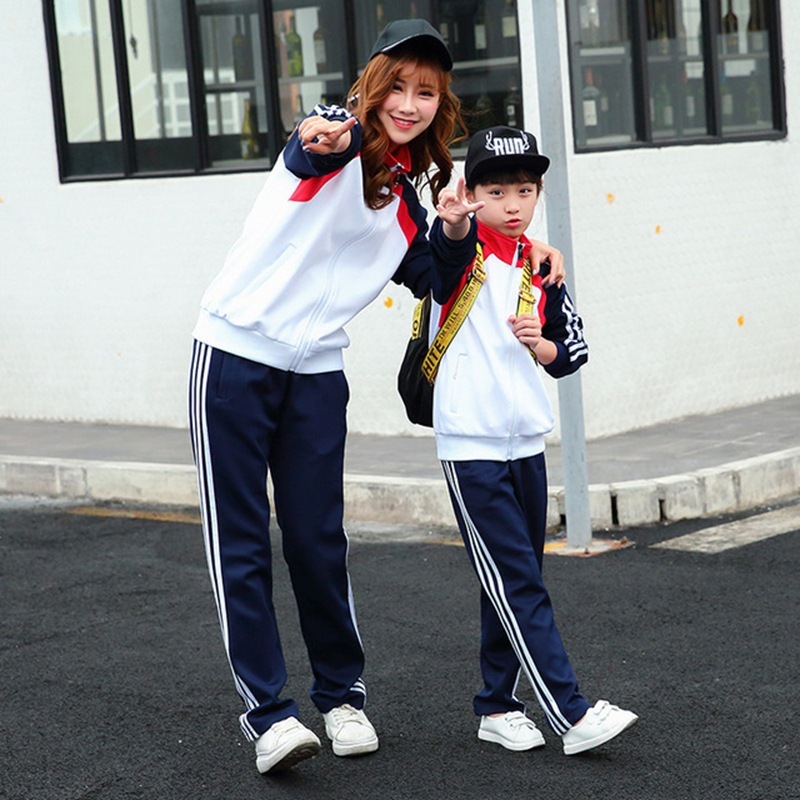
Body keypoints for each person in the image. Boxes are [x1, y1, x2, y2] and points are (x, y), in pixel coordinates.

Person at [188, 22, 564, 775]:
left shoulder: (417, 192)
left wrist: (495, 234)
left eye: (426, 92)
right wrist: (326, 134)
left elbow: (433, 274)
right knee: (240, 544)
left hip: (318, 374)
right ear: (374, 85)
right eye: (398, 86)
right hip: (233, 357)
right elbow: (310, 146)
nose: (410, 103)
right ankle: (269, 715)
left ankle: (341, 696)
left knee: (319, 540)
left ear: (439, 104)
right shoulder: (332, 140)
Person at [429, 125, 638, 756]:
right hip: (471, 442)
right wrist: (457, 221)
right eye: (497, 190)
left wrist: (541, 343)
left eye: (525, 190)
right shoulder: (460, 251)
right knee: (518, 580)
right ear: (473, 192)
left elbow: (570, 350)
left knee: (513, 581)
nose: (513, 203)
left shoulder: (539, 264)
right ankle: (570, 714)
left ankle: (496, 705)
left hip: (524, 442)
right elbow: (444, 251)